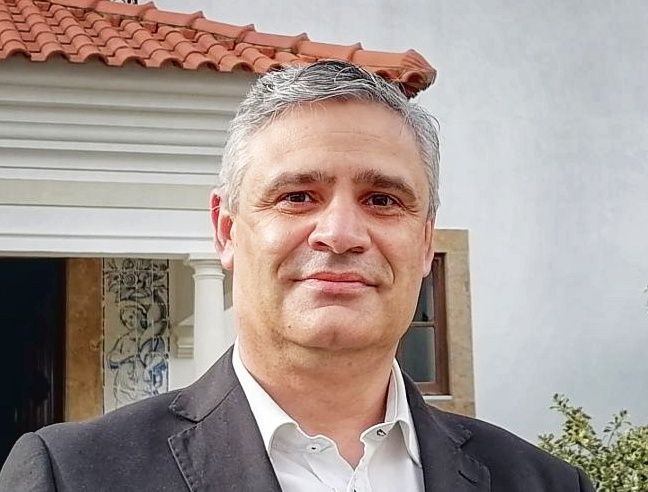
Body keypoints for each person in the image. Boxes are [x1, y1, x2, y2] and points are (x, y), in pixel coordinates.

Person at [0, 61, 593, 491]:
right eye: (298, 196)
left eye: (383, 200)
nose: (340, 233)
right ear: (226, 231)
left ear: (424, 242)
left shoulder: (542, 482)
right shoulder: (73, 475)